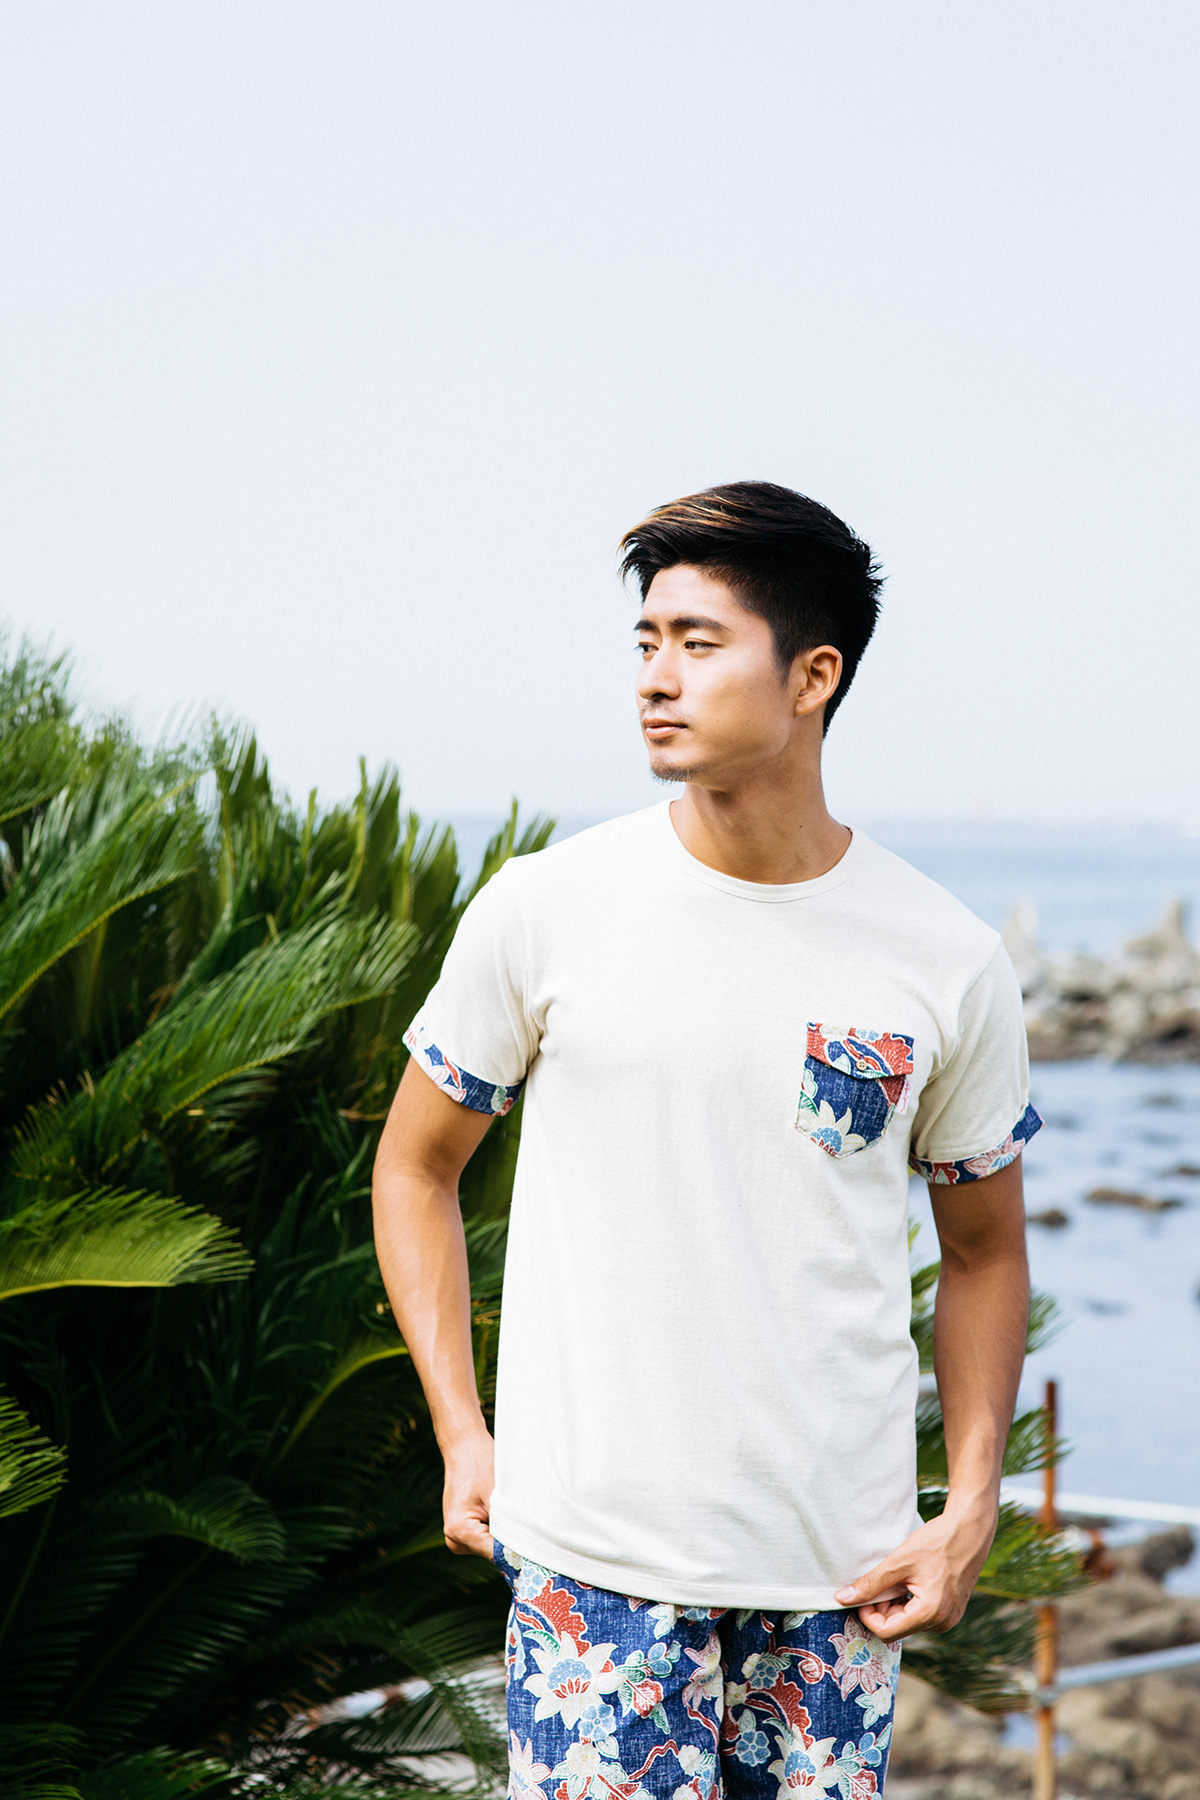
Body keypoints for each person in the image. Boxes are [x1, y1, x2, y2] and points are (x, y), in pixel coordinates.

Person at [372, 481, 1037, 1800]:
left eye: (698, 642)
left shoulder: (946, 958)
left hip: (840, 1588)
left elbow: (985, 1252)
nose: (655, 678)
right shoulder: (546, 909)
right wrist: (462, 1431)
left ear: (812, 676)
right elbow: (414, 1164)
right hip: (592, 1571)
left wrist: (968, 1511)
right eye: (646, 641)